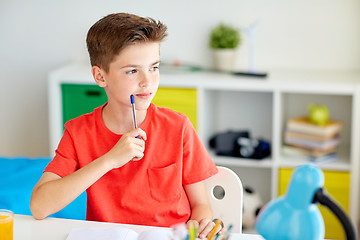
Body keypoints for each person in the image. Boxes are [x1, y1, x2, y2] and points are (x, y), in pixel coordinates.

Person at [30, 13, 221, 239]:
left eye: (154, 67)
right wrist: (111, 159)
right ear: (101, 77)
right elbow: (39, 207)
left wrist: (202, 224)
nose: (147, 81)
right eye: (132, 71)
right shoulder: (78, 132)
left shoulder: (178, 127)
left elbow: (200, 204)